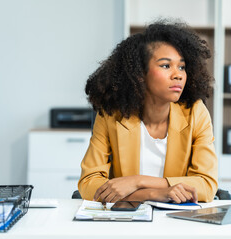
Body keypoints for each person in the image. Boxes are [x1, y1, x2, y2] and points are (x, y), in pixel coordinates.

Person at [78, 19, 218, 203]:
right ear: (139, 74)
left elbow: (207, 186)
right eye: (166, 65)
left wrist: (137, 181)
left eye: (182, 66)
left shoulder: (195, 112)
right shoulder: (111, 114)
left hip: (176, 220)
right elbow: (89, 183)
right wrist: (152, 194)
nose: (178, 74)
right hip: (126, 219)